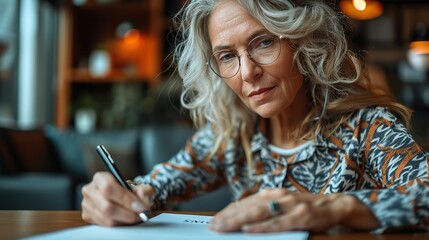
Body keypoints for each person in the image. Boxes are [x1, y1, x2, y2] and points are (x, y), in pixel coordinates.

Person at [81, 0, 429, 234]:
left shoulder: (368, 126)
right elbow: (154, 188)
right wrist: (119, 198)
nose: (247, 72)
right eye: (227, 56)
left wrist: (334, 207)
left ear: (301, 42)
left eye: (263, 43)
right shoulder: (233, 133)